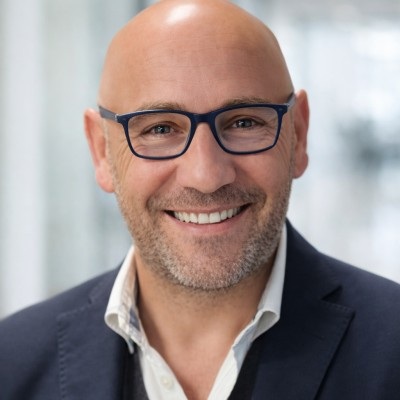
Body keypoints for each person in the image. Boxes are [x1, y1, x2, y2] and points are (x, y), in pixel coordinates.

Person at [1, 0, 400, 399]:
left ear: (297, 134)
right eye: (160, 129)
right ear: (102, 151)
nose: (206, 176)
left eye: (244, 122)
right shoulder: (12, 363)